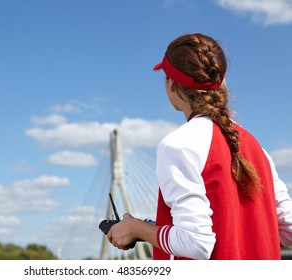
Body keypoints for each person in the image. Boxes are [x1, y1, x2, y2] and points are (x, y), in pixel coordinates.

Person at [107, 33, 292, 260]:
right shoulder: (256, 147)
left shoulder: (178, 145)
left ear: (171, 85)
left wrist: (136, 228)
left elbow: (196, 243)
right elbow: (288, 230)